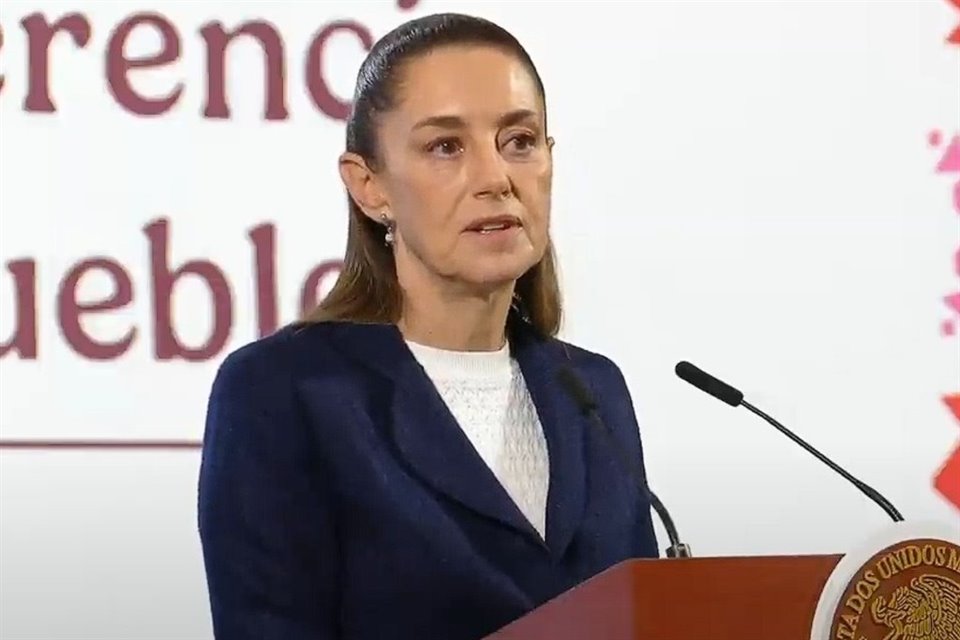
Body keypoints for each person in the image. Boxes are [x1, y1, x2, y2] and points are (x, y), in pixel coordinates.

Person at [197, 12, 659, 640]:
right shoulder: (284, 393)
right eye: (446, 146)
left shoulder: (594, 392)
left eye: (519, 141)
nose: (496, 178)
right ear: (369, 187)